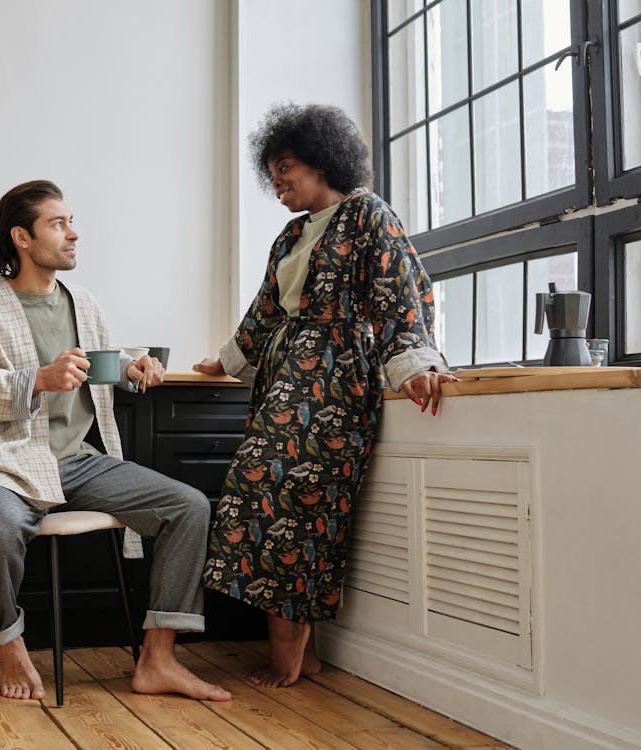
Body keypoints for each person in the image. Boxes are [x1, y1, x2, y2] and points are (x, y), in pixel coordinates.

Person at [0, 179, 230, 702]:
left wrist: (133, 368)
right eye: (58, 223)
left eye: (70, 222)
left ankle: (158, 659)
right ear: (22, 238)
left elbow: (97, 364)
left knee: (188, 507)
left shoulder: (84, 304)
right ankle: (7, 644)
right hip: (11, 463)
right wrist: (38, 379)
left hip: (81, 463)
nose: (73, 234)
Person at [195, 103, 456, 687]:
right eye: (272, 172)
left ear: (322, 160)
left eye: (286, 167)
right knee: (259, 497)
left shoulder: (369, 215)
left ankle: (293, 649)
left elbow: (400, 291)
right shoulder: (291, 234)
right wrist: (225, 360)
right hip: (284, 377)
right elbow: (265, 310)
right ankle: (300, 652)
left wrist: (414, 363)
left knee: (293, 503)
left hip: (335, 379)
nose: (278, 181)